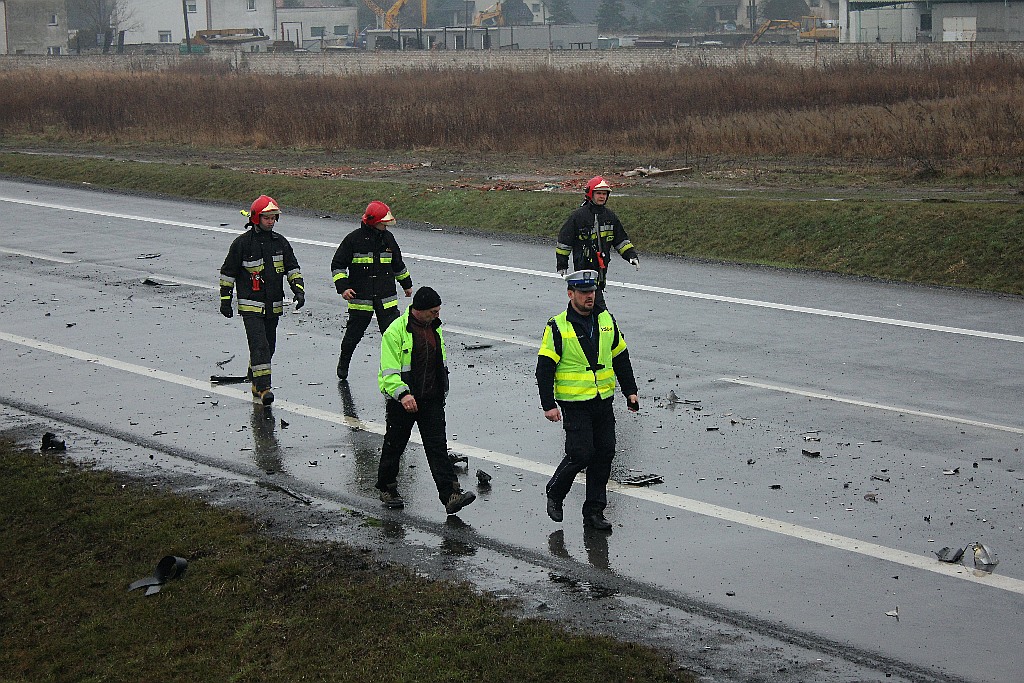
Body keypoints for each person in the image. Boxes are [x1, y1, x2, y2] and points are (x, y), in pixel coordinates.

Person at [537, 269, 639, 532]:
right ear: (571, 294)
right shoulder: (558, 326)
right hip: (575, 403)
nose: (589, 297)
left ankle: (594, 512)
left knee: (604, 454)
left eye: (592, 292)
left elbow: (620, 357)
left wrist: (631, 391)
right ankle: (555, 491)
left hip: (603, 400)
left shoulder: (606, 320)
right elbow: (545, 367)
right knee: (581, 453)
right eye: (583, 293)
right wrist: (548, 404)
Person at [376, 286, 476, 516]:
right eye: (433, 311)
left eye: (438, 310)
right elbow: (389, 373)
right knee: (395, 445)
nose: (437, 315)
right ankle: (387, 487)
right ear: (418, 310)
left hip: (431, 399)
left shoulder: (434, 328)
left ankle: (451, 495)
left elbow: (437, 363)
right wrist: (403, 394)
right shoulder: (395, 333)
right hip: (403, 401)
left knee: (437, 447)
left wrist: (441, 390)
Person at [219, 195, 305, 406]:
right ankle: (264, 388)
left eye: (274, 218)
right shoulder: (242, 244)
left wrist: (299, 290)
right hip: (250, 306)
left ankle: (255, 375)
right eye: (267, 218)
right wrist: (225, 300)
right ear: (256, 218)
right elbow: (228, 273)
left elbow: (292, 268)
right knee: (260, 347)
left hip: (273, 306)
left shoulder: (280, 243)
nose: (271, 221)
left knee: (269, 346)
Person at [331, 200, 413, 381]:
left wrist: (406, 284)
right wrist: (343, 288)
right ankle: (343, 364)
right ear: (373, 222)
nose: (385, 226)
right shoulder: (353, 240)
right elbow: (337, 266)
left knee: (394, 338)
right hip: (361, 299)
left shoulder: (389, 239)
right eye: (383, 223)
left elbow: (397, 264)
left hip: (387, 299)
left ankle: (398, 372)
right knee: (353, 336)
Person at [555, 176, 639, 310]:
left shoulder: (610, 217)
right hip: (584, 269)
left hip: (601, 270)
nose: (602, 196)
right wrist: (562, 264)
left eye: (604, 194)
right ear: (590, 194)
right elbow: (564, 242)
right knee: (596, 306)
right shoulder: (578, 216)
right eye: (599, 193)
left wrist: (631, 256)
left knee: (586, 306)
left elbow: (621, 240)